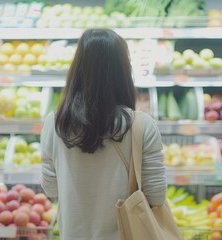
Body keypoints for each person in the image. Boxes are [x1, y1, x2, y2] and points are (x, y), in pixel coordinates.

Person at [41, 29, 166, 240]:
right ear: (123, 70)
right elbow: (156, 195)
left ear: (77, 68)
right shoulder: (141, 125)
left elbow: (51, 188)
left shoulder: (55, 123)